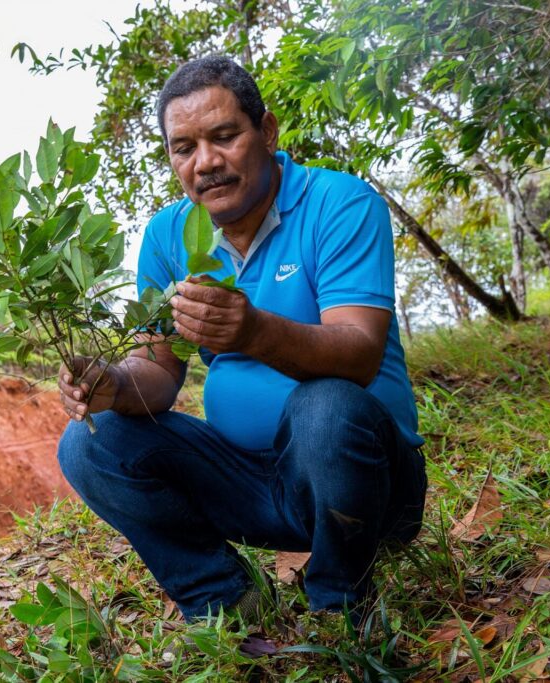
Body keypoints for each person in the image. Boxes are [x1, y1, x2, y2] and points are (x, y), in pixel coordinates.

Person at [56, 55, 425, 623]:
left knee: (326, 405)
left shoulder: (340, 204)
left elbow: (359, 353)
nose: (206, 163)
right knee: (90, 441)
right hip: (251, 489)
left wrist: (252, 331)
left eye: (224, 136)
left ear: (268, 130)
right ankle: (226, 603)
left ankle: (339, 606)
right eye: (184, 148)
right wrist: (112, 384)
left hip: (369, 488)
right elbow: (155, 376)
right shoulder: (167, 234)